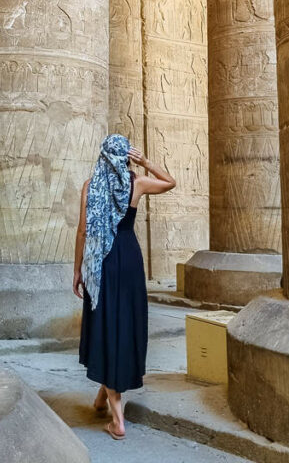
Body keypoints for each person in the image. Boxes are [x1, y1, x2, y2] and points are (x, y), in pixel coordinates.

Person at [73, 134, 176, 440]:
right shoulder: (137, 183)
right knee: (122, 325)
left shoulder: (90, 187)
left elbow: (82, 231)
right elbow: (169, 182)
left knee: (105, 327)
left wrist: (78, 269)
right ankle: (102, 398)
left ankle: (118, 420)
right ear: (127, 157)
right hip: (129, 259)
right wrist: (147, 164)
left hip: (101, 263)